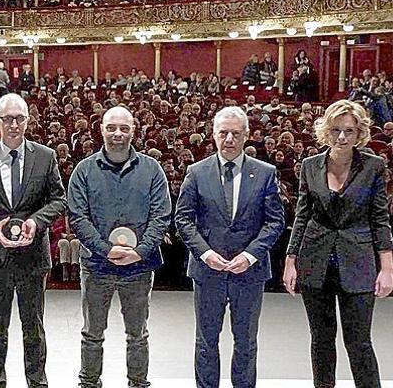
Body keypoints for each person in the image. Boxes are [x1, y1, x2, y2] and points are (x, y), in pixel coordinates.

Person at [283, 100, 393, 388]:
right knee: (321, 340)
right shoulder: (309, 166)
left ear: (360, 134)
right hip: (315, 262)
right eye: (335, 130)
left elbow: (380, 219)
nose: (342, 137)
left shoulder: (374, 166)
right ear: (325, 132)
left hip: (358, 262)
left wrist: (387, 268)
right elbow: (302, 216)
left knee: (358, 342)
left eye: (349, 131)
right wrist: (290, 260)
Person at [0, 93, 66, 388]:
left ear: (28, 121)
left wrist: (34, 222)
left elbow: (59, 200)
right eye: (8, 119)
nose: (14, 124)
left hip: (33, 258)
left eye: (19, 118)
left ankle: (37, 381)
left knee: (34, 326)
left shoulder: (46, 157)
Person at [175, 106, 285, 388]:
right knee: (206, 342)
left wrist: (249, 256)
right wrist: (205, 253)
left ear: (247, 135)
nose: (229, 140)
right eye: (223, 133)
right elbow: (183, 219)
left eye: (236, 134)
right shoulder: (196, 173)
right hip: (207, 271)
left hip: (249, 273)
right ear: (213, 134)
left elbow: (275, 223)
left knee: (246, 343)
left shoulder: (265, 173)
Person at [68, 106, 171, 388]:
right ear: (101, 129)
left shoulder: (152, 169)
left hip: (139, 268)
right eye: (111, 127)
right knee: (92, 333)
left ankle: (138, 384)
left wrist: (141, 250)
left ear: (133, 130)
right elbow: (77, 216)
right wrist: (104, 249)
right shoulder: (84, 170)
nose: (117, 133)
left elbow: (161, 214)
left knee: (137, 334)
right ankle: (88, 383)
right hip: (96, 266)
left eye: (124, 128)